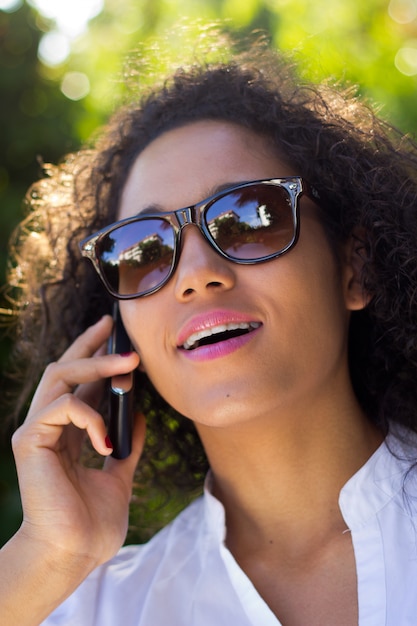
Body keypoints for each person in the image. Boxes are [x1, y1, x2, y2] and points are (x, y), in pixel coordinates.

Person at [1, 30, 417, 626]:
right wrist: (43, 557)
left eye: (251, 217)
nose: (196, 276)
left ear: (356, 267)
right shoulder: (91, 607)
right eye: (143, 252)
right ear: (119, 332)